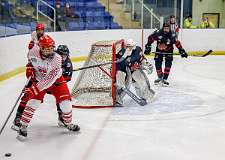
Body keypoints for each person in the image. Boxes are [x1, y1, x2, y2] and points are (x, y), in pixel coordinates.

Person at [14, 35, 80, 139]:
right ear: (41, 48)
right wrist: (30, 68)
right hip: (39, 80)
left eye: (52, 48)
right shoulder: (32, 52)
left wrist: (33, 89)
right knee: (33, 102)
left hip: (57, 81)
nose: (51, 51)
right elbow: (30, 61)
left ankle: (67, 123)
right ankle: (23, 126)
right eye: (47, 49)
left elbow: (49, 80)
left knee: (66, 104)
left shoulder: (57, 59)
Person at [115, 39, 154, 107]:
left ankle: (145, 96)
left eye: (131, 46)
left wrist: (146, 64)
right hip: (125, 71)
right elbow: (118, 66)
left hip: (135, 70)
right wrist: (120, 77)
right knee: (122, 86)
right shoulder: (121, 53)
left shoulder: (138, 50)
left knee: (141, 82)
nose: (129, 48)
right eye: (127, 46)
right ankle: (118, 100)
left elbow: (142, 59)